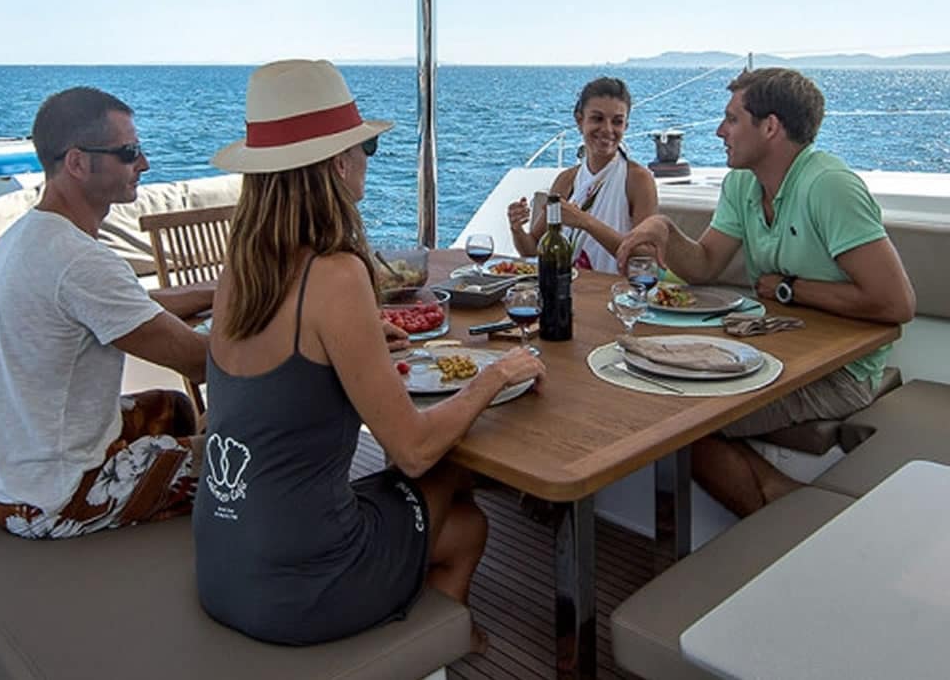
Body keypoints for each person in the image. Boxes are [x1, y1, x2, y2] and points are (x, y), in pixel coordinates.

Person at [193, 59, 544, 649]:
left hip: (224, 561)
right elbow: (411, 450)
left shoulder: (241, 270)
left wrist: (356, 343)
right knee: (465, 514)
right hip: (301, 587)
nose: (365, 163)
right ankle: (435, 647)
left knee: (441, 505)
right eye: (367, 150)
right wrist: (495, 377)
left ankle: (444, 632)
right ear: (337, 163)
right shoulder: (335, 275)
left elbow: (284, 367)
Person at [616, 67, 916, 516]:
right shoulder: (742, 182)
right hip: (778, 350)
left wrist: (790, 290)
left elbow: (897, 304)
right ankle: (784, 501)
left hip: (843, 372)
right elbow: (704, 266)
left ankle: (788, 521)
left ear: (770, 127)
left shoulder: (828, 186)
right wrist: (663, 228)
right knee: (657, 399)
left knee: (678, 423)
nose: (720, 130)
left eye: (732, 119)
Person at [0, 87, 211, 538]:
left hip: (12, 472)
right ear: (76, 163)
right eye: (129, 153)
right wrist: (306, 331)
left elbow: (128, 303)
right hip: (57, 497)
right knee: (255, 457)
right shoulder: (80, 261)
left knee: (175, 408)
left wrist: (221, 289)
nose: (143, 164)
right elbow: (202, 362)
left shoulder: (28, 237)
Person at [507, 77, 657, 273]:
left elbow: (646, 256)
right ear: (579, 121)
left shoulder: (638, 180)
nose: (608, 129)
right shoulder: (566, 181)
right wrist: (517, 229)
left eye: (617, 122)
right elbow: (534, 251)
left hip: (616, 296)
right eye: (597, 119)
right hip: (569, 292)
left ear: (626, 126)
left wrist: (585, 222)